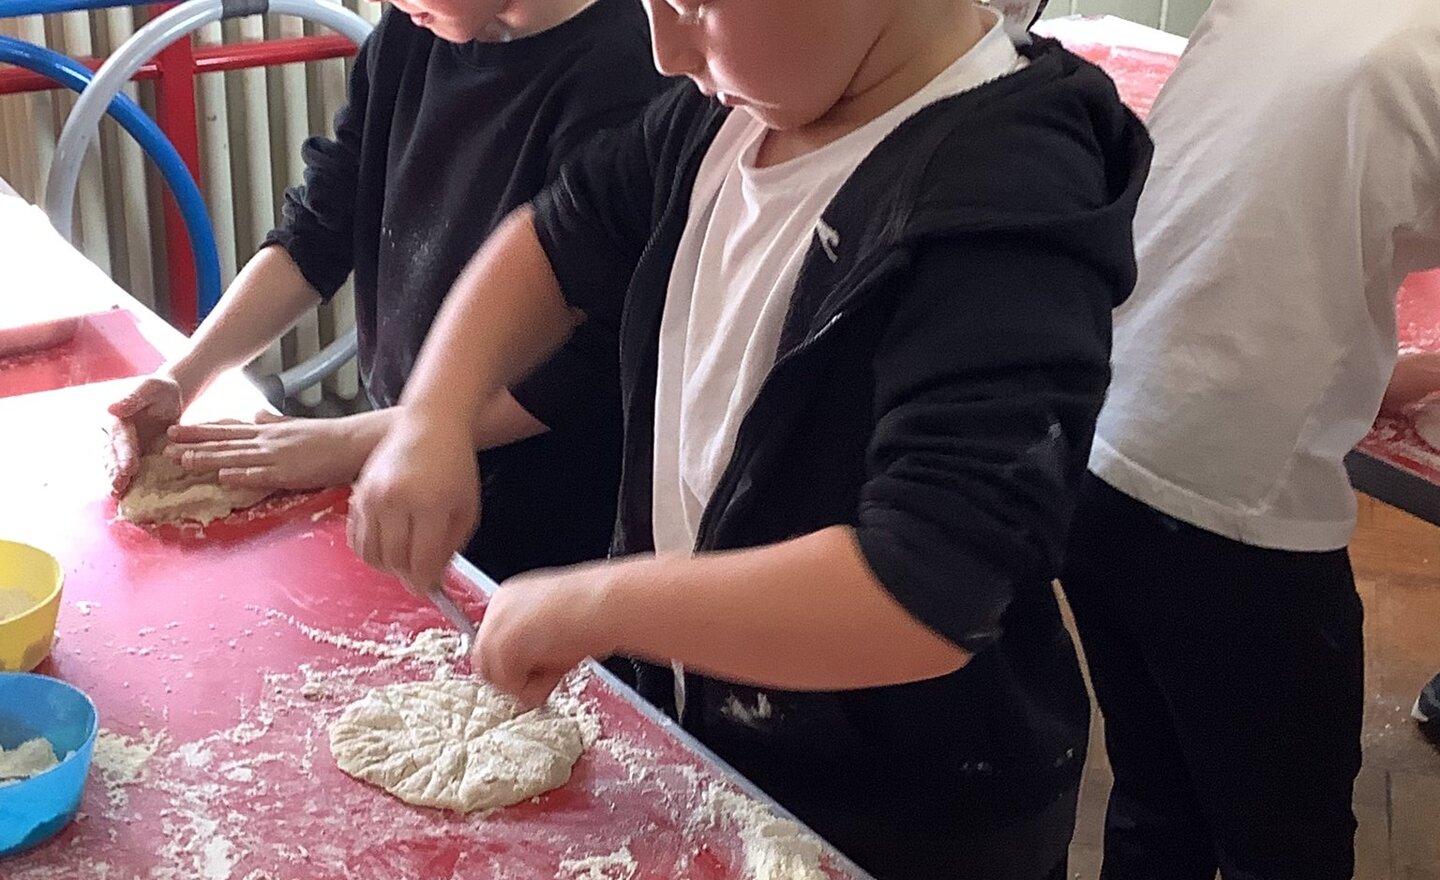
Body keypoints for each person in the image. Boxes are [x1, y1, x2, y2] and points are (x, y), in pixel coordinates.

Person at [347, 1, 1151, 876]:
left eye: (692, 3)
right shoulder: (731, 117)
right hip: (713, 748)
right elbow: (555, 240)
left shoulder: (1009, 203)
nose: (665, 50)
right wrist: (434, 413)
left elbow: (926, 587)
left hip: (902, 816)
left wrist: (598, 605)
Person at [1059, 1, 1440, 878]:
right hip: (1226, 508)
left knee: (1157, 797)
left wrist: (1374, 372)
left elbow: (1251, 238)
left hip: (1095, 436)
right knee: (1288, 844)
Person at [105, 0, 664, 580]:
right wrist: (184, 376)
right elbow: (318, 230)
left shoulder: (627, 73)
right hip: (404, 450)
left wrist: (353, 441)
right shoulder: (410, 31)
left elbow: (590, 365)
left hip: (549, 508)